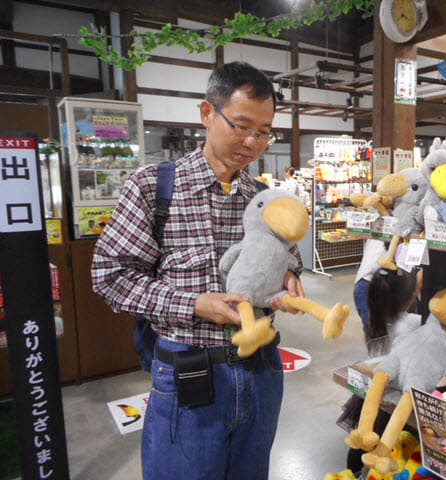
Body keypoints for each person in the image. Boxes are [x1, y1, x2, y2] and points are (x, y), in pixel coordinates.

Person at [91, 61, 305, 480]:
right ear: (207, 113)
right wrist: (193, 304)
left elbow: (290, 259)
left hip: (261, 369)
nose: (252, 141)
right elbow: (110, 275)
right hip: (190, 373)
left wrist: (290, 278)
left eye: (264, 131)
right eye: (242, 125)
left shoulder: (263, 197)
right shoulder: (153, 187)